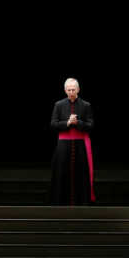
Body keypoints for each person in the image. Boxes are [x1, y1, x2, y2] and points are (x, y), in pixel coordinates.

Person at [50, 77, 94, 205]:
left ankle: (82, 202)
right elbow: (53, 124)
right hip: (63, 146)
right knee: (62, 174)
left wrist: (78, 122)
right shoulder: (58, 105)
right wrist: (67, 123)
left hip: (81, 147)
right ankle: (60, 202)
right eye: (68, 90)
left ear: (78, 89)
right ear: (65, 90)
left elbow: (91, 125)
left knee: (81, 175)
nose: (71, 92)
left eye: (73, 89)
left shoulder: (86, 105)